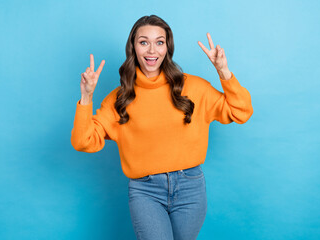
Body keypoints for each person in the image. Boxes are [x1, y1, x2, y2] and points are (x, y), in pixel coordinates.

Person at [71, 15, 253, 240]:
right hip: (145, 191)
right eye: (143, 42)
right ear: (133, 46)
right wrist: (86, 97)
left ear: (168, 47)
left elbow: (241, 112)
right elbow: (83, 141)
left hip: (190, 188)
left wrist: (224, 71)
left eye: (159, 42)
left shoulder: (194, 87)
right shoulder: (119, 99)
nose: (152, 50)